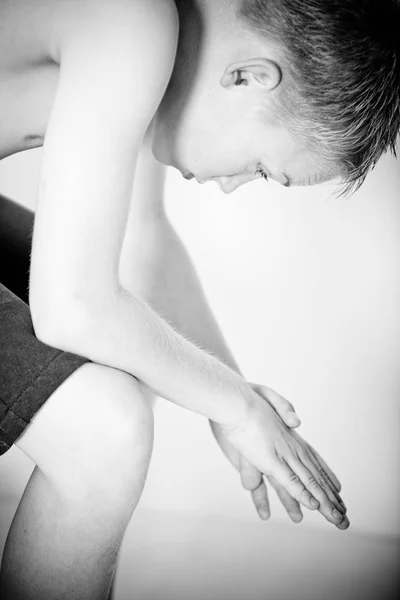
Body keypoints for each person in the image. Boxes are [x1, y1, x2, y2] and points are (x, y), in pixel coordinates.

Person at [0, 0, 398, 597]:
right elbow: (74, 306)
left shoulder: (150, 46)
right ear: (248, 77)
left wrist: (234, 403)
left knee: (134, 348)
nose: (235, 186)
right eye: (263, 167)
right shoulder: (133, 23)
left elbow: (144, 239)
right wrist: (238, 405)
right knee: (105, 433)